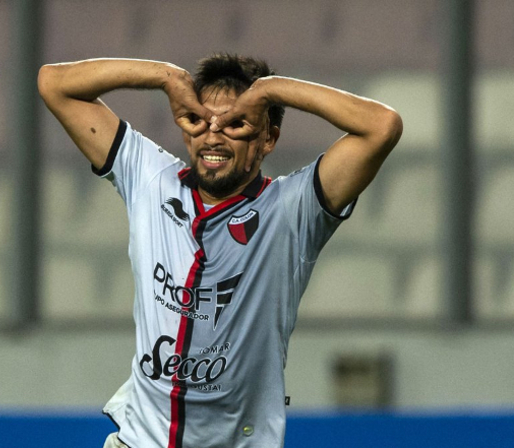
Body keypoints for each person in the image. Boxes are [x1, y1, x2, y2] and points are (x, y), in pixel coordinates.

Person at [38, 54, 402, 448]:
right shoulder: (149, 178)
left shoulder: (292, 210)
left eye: (235, 124)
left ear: (268, 139)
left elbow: (382, 126)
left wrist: (271, 90)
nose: (213, 137)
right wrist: (166, 77)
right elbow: (54, 84)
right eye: (201, 120)